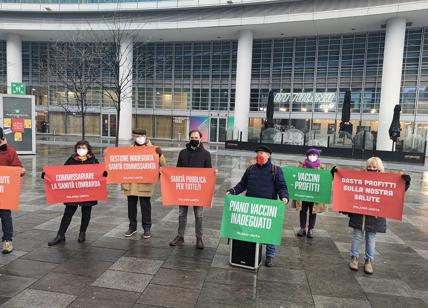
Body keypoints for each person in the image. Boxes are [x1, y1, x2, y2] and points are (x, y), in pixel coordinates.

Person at [331, 157, 411, 274]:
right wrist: (336, 174)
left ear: (379, 168)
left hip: (375, 217)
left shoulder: (386, 180)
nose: (371, 168)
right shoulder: (361, 177)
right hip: (359, 215)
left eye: (374, 167)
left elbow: (396, 191)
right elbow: (346, 184)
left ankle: (369, 260)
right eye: (369, 166)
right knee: (356, 236)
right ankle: (354, 258)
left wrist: (406, 182)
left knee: (371, 238)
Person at [226, 145, 289, 267]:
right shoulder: (251, 169)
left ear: (268, 155)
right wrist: (233, 191)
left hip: (268, 208)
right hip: (252, 207)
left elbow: (281, 186)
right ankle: (252, 253)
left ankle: (270, 255)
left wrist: (284, 197)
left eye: (262, 153)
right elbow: (242, 184)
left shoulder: (276, 170)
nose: (259, 155)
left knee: (270, 232)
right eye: (258, 153)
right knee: (252, 231)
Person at [47, 140, 106, 246]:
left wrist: (104, 173)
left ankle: (82, 232)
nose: (81, 150)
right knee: (68, 213)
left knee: (86, 212)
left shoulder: (93, 160)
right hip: (73, 192)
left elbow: (99, 174)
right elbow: (61, 173)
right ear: (76, 149)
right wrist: (47, 175)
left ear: (88, 149)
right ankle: (60, 235)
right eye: (79, 147)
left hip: (88, 192)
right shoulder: (71, 159)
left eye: (84, 147)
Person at [169, 130, 212, 249]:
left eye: (196, 137)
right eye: (192, 137)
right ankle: (180, 236)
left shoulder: (206, 154)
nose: (194, 139)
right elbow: (178, 170)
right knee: (182, 214)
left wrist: (213, 174)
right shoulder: (182, 153)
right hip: (184, 189)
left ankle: (199, 238)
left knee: (199, 215)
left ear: (200, 138)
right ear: (189, 138)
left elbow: (208, 173)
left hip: (198, 191)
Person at [123, 129, 166, 238]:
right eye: (136, 136)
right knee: (131, 207)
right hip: (131, 183)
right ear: (133, 137)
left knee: (145, 206)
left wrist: (159, 154)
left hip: (145, 183)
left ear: (145, 137)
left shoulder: (153, 149)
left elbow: (163, 164)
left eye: (141, 136)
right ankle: (132, 227)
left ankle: (147, 228)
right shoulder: (129, 149)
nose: (139, 138)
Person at [0, 127, 25, 254]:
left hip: (4, 192)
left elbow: (17, 167)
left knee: (5, 216)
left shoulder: (9, 151)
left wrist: (21, 171)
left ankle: (7, 241)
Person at [294, 148, 327, 239]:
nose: (312, 157)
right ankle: (302, 228)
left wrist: (332, 173)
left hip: (315, 195)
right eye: (310, 155)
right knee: (303, 211)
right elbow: (296, 176)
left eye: (314, 155)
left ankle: (310, 229)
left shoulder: (321, 167)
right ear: (307, 156)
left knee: (313, 212)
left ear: (317, 157)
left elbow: (326, 180)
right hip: (303, 194)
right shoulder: (302, 166)